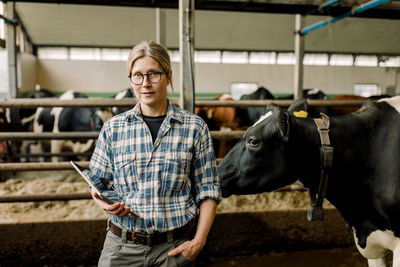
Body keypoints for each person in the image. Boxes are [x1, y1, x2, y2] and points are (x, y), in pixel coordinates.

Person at [88, 40, 221, 267]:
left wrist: (198, 242)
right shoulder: (113, 128)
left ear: (168, 77)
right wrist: (104, 203)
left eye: (153, 74)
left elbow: (208, 190)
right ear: (131, 79)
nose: (145, 84)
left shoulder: (194, 128)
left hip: (175, 248)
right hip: (122, 247)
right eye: (137, 75)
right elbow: (96, 183)